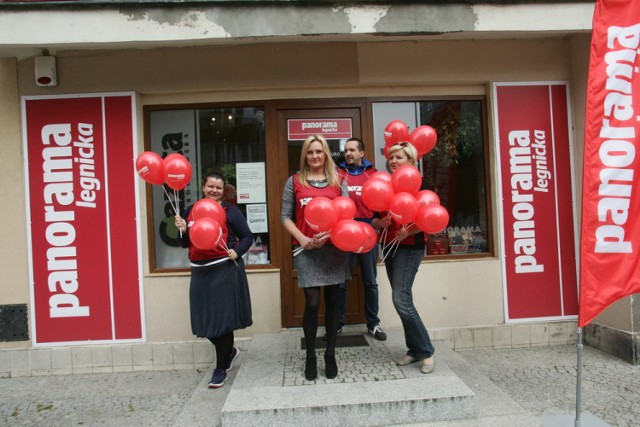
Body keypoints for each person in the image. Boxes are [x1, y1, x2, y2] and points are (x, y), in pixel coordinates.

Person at [281, 134, 350, 381]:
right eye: (310, 152)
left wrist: (330, 235)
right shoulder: (295, 181)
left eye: (319, 151)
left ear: (326, 154)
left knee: (332, 303)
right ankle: (310, 354)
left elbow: (346, 215)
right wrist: (301, 238)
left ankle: (330, 354)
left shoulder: (339, 180)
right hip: (306, 250)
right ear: (305, 156)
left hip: (334, 249)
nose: (315, 156)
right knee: (311, 302)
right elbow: (285, 216)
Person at [174, 172, 253, 388]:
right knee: (203, 321)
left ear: (223, 189)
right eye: (211, 186)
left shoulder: (229, 210)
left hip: (224, 270)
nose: (214, 191)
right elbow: (183, 244)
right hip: (199, 272)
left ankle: (220, 370)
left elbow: (248, 236)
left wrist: (237, 251)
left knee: (223, 323)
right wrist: (181, 229)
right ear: (204, 186)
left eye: (218, 187)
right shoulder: (191, 211)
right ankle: (229, 352)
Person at [372, 142, 435, 374]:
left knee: (401, 299)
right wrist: (380, 223)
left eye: (398, 157)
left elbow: (430, 216)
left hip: (410, 247)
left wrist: (409, 231)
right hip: (390, 246)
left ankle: (426, 350)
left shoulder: (420, 183)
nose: (393, 161)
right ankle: (415, 350)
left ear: (411, 160)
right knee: (402, 301)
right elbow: (373, 215)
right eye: (391, 157)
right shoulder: (384, 183)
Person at [336, 137, 386, 341]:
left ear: (362, 153)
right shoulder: (337, 174)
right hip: (345, 233)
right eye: (346, 150)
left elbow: (382, 202)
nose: (348, 153)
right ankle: (336, 324)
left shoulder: (373, 175)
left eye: (352, 150)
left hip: (367, 235)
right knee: (341, 282)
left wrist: (377, 220)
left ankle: (373, 324)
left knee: (370, 281)